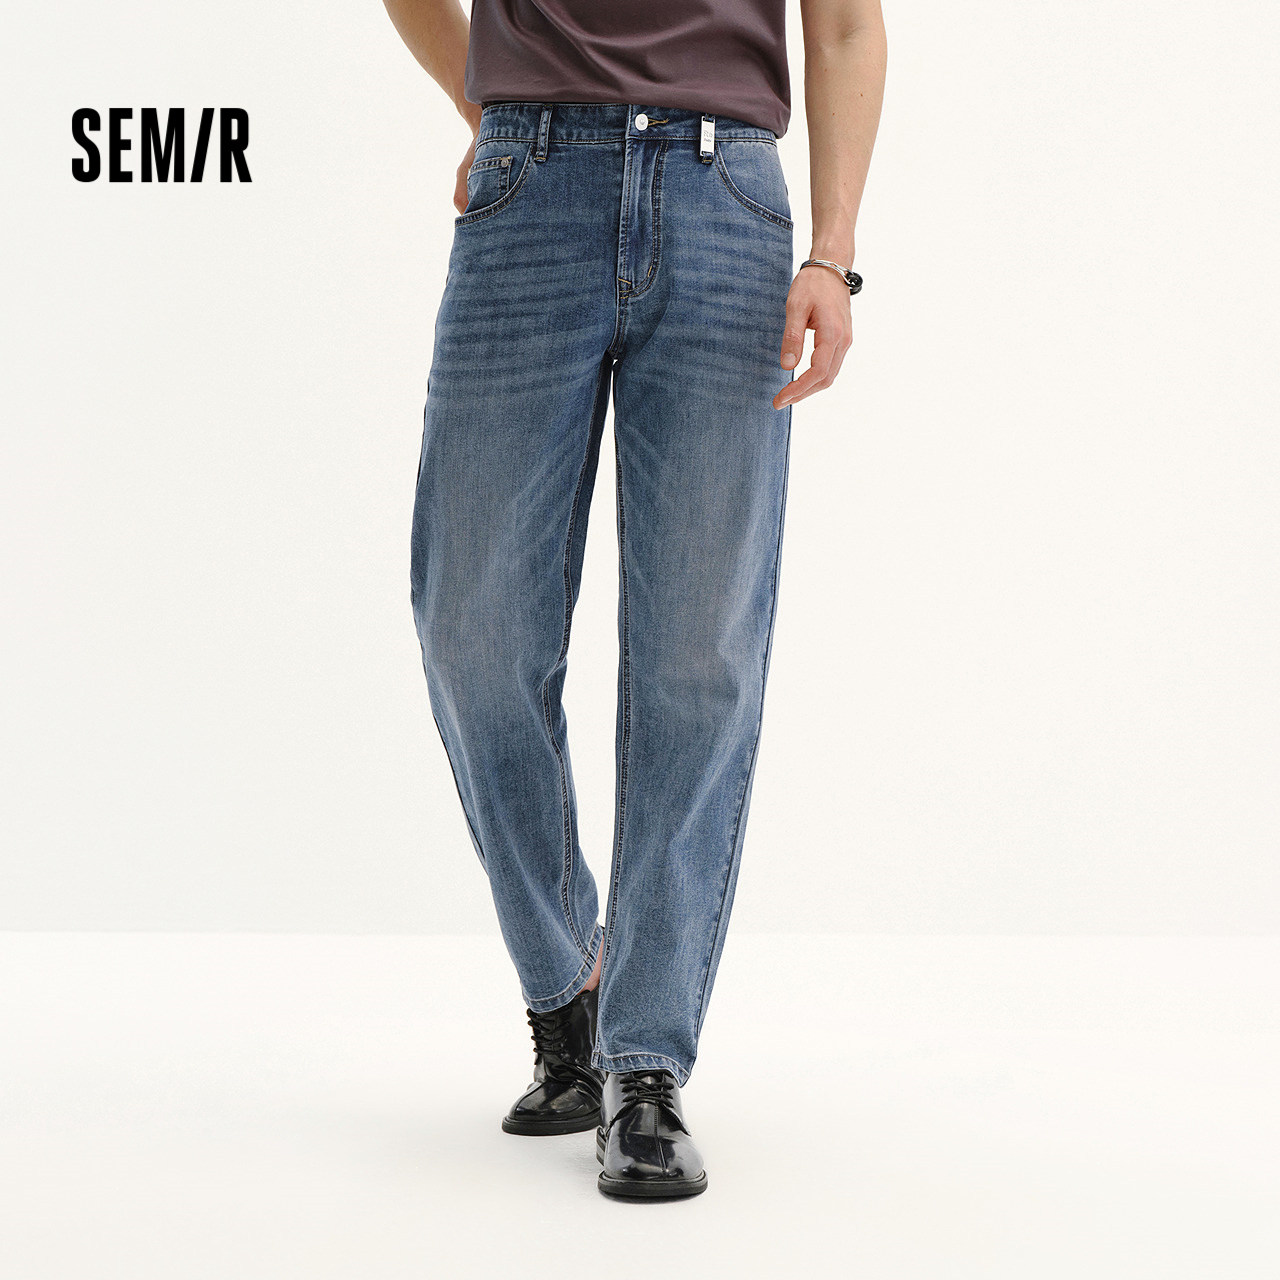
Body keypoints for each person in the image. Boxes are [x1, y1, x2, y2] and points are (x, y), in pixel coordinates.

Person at [382, 0, 886, 1201]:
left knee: (695, 655)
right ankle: (570, 985)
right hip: (528, 180)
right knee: (471, 628)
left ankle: (644, 1062)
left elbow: (843, 28)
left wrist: (831, 251)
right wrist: (481, 110)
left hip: (727, 199)